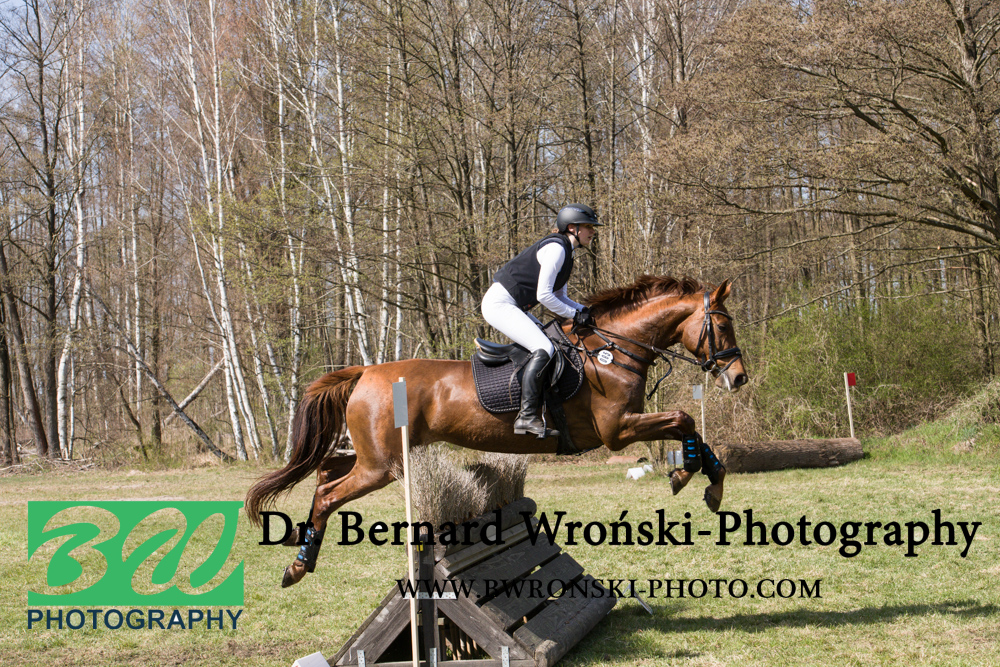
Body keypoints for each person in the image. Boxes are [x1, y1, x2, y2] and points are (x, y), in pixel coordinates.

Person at [481, 204, 602, 437]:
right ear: (572, 228)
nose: (593, 231)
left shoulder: (567, 251)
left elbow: (559, 296)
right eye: (589, 226)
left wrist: (585, 310)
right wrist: (575, 315)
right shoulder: (557, 249)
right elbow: (544, 296)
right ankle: (526, 417)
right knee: (544, 348)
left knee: (552, 343)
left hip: (512, 305)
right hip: (499, 304)